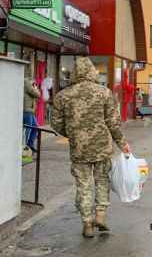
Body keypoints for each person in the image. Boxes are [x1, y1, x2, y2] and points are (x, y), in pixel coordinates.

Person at [51, 57, 130, 238]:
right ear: (92, 71)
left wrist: (73, 134)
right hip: (102, 146)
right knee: (102, 181)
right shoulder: (104, 92)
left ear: (74, 73)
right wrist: (122, 143)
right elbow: (113, 122)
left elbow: (55, 122)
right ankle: (100, 214)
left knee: (83, 185)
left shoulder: (64, 95)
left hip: (79, 149)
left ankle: (87, 223)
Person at [23, 77, 41, 152]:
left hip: (29, 111)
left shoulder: (26, 84)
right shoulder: (27, 84)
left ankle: (30, 145)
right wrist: (35, 87)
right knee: (28, 130)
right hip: (27, 111)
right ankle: (25, 147)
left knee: (35, 127)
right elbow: (37, 94)